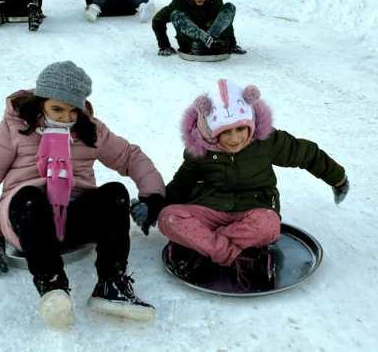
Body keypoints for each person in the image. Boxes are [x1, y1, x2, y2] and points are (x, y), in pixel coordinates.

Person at [0, 61, 166, 328]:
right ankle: (52, 287)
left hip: (74, 218)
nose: (65, 117)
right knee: (29, 197)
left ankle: (111, 284)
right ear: (41, 102)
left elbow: (130, 156)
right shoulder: (13, 130)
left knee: (115, 192)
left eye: (73, 110)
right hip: (28, 219)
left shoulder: (90, 131)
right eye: (56, 109)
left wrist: (152, 196)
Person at [131, 79, 349, 288]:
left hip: (253, 211)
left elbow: (307, 154)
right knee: (169, 218)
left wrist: (337, 178)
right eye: (225, 132)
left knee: (269, 226)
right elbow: (180, 185)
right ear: (212, 131)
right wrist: (153, 209)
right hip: (211, 208)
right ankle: (239, 258)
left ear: (250, 124)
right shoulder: (201, 150)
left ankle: (203, 248)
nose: (235, 138)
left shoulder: (267, 142)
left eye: (240, 129)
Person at [151, 0, 246, 57]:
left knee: (229, 7)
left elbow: (226, 23)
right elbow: (157, 20)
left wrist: (232, 44)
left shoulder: (215, 0)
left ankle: (210, 41)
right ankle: (203, 38)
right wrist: (164, 45)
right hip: (191, 45)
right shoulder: (179, 3)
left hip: (215, 44)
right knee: (176, 14)